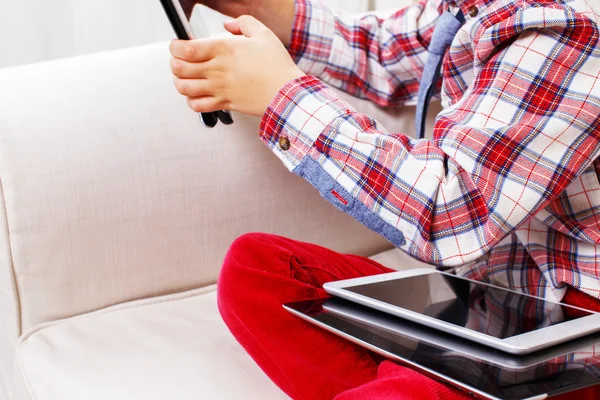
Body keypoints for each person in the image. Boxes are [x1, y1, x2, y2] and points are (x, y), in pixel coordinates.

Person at [168, 0, 600, 398]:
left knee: (409, 387)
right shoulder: (472, 10)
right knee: (257, 267)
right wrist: (259, 9)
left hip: (576, 328)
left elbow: (450, 212)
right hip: (493, 298)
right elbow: (382, 53)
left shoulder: (562, 32)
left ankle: (422, 381)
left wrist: (284, 97)